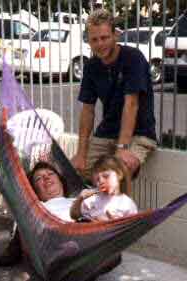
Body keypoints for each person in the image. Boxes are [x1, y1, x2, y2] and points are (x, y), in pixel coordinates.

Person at [71, 9, 157, 182]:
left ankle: (120, 209)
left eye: (104, 38)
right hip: (107, 132)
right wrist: (81, 154)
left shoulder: (133, 58)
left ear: (115, 35)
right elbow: (87, 110)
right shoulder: (92, 66)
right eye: (94, 40)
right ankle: (88, 207)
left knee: (116, 173)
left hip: (138, 134)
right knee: (73, 171)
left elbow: (131, 104)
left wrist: (122, 147)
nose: (100, 44)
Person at [0, 161, 73, 267]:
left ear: (61, 181)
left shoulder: (78, 199)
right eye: (39, 178)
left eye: (50, 174)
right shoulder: (38, 208)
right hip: (61, 241)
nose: (46, 178)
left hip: (88, 234)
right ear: (35, 191)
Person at [70, 155, 138, 222]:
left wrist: (114, 222)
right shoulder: (92, 198)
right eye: (97, 179)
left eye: (106, 176)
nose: (101, 181)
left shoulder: (127, 203)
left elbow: (132, 228)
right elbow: (74, 215)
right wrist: (80, 199)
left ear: (119, 175)